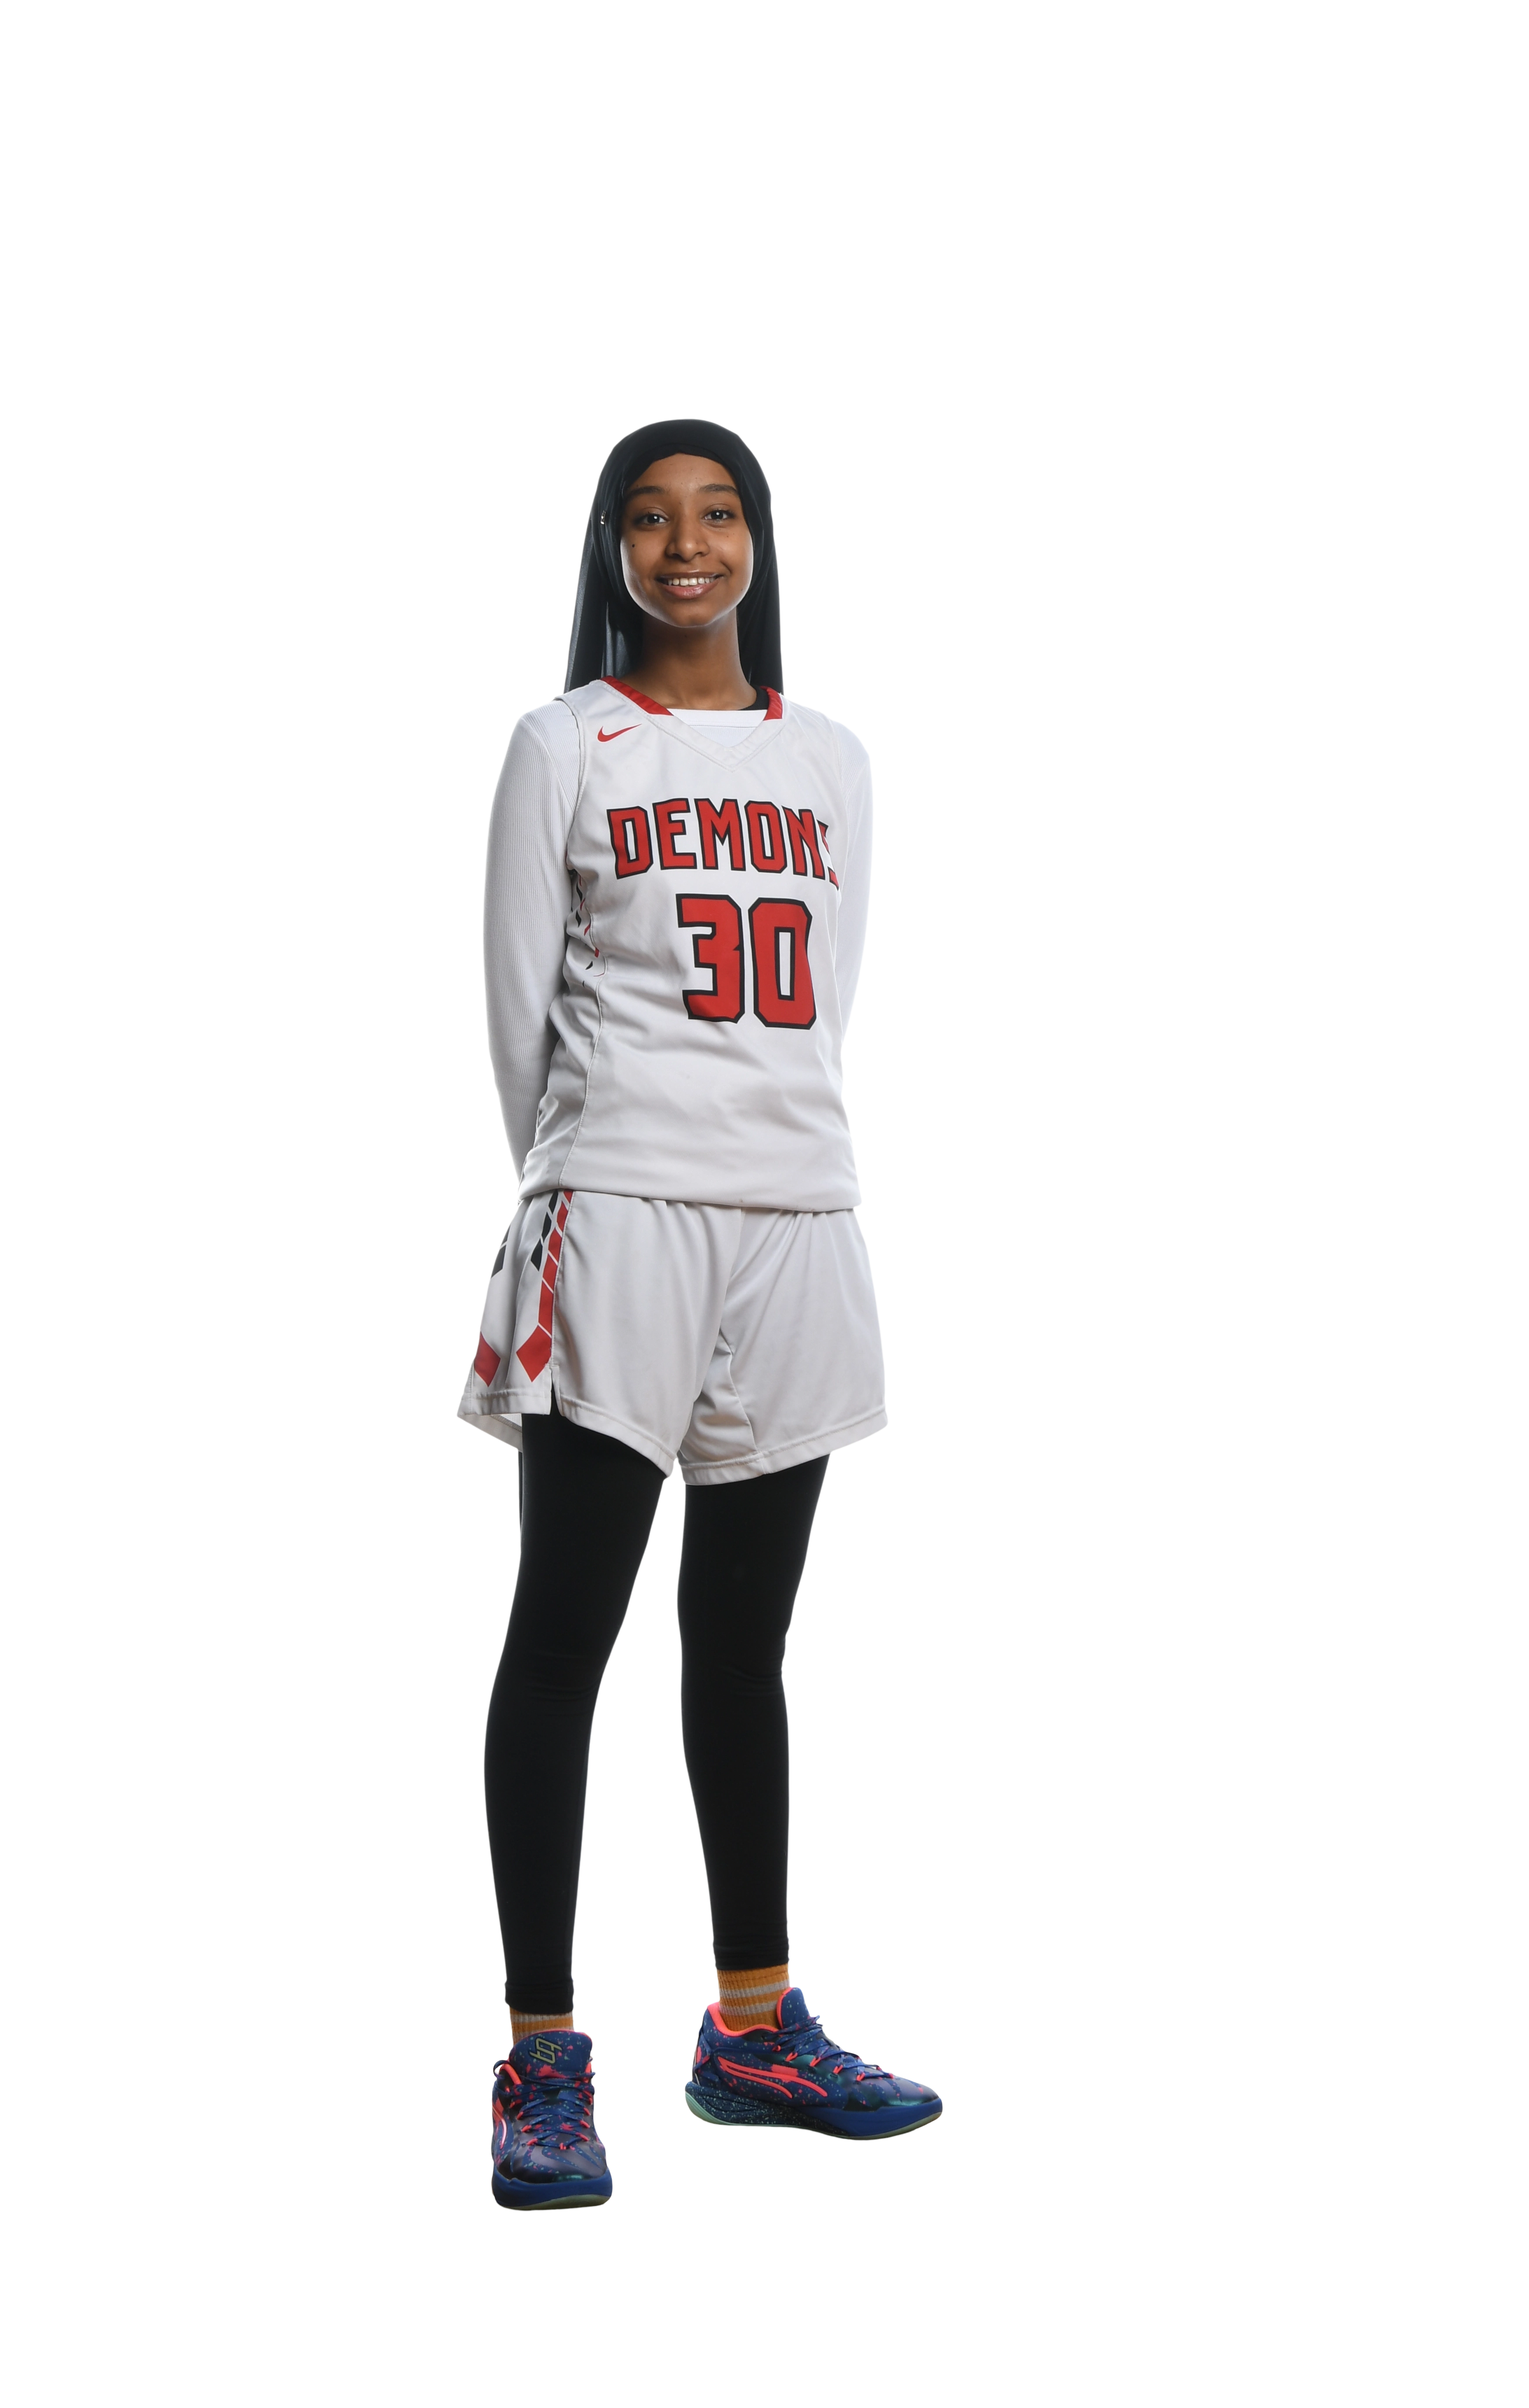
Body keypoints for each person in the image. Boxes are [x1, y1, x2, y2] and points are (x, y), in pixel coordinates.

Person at [460, 418, 941, 2211]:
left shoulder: (831, 758)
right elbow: (519, 1007)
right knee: (563, 1637)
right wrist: (593, 1174)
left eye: (719, 512)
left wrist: (754, 1147)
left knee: (745, 1646)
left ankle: (752, 2033)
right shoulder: (564, 743)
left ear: (758, 538)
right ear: (610, 546)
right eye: (651, 518)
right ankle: (543, 2058)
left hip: (798, 1217)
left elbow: (829, 995)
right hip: (624, 1215)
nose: (688, 546)